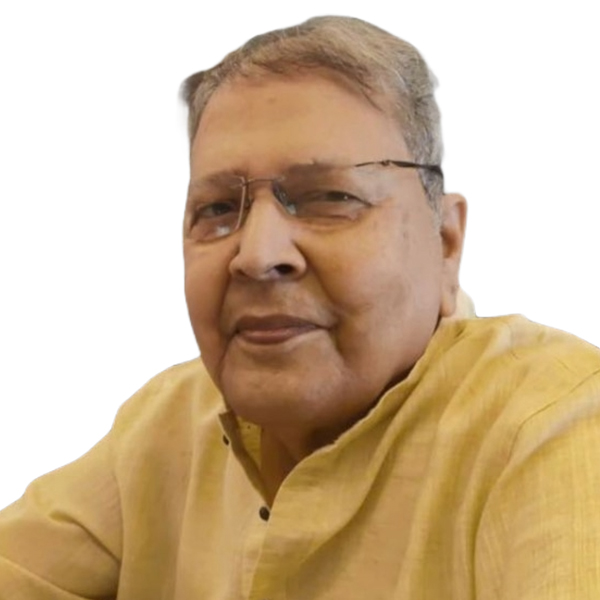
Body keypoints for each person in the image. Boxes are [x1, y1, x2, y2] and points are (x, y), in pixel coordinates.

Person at [1, 15, 599, 600]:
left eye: (329, 197)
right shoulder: (168, 424)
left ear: (444, 242)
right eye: (217, 209)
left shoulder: (555, 426)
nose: (257, 255)